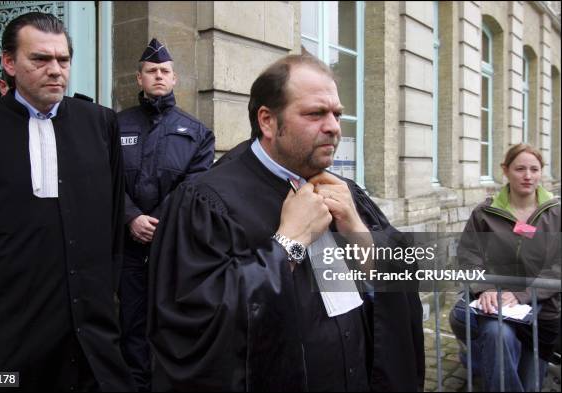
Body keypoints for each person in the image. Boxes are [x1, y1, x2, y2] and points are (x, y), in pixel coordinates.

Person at [146, 54, 424, 391]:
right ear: (267, 121)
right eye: (315, 113)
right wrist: (286, 246)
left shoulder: (346, 192)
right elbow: (191, 324)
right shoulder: (205, 202)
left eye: (336, 113)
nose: (334, 127)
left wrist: (360, 235)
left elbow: (407, 275)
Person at [0, 12, 134, 391]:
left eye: (63, 60)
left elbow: (113, 223)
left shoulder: (100, 123)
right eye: (40, 59)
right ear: (9, 63)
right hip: (1, 340)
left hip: (88, 338)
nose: (55, 70)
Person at [117, 38, 214, 391]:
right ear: (139, 78)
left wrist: (155, 221)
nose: (158, 76)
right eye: (151, 71)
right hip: (127, 247)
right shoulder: (116, 125)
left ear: (174, 79)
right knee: (130, 322)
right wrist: (131, 217)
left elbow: (194, 188)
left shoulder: (197, 132)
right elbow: (106, 180)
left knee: (172, 322)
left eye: (165, 71)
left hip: (171, 247)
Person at [450, 143, 561, 392]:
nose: (528, 176)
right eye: (520, 168)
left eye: (534, 169)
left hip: (541, 313)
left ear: (541, 172)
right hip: (495, 308)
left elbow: (558, 266)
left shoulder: (556, 215)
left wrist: (522, 295)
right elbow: (468, 256)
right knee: (498, 334)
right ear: (505, 170)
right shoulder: (484, 213)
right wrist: (485, 288)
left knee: (530, 383)